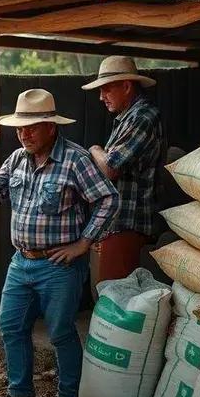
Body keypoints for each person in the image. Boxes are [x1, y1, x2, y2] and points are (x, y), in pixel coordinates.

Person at [0, 89, 119, 397]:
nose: (24, 133)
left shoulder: (75, 159)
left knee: (60, 333)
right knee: (10, 325)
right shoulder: (16, 159)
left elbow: (108, 200)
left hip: (59, 266)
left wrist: (84, 243)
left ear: (51, 127)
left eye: (32, 127)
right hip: (21, 261)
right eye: (20, 127)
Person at [81, 56, 162, 288]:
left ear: (126, 86)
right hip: (115, 224)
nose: (101, 97)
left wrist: (95, 150)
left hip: (127, 222)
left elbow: (110, 168)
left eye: (106, 89)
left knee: (114, 300)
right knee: (108, 295)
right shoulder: (127, 119)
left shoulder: (143, 117)